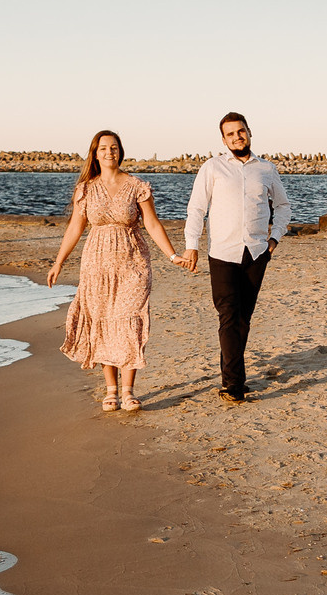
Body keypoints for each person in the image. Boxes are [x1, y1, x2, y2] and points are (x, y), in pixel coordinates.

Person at [47, 128, 183, 413]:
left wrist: (172, 255)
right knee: (103, 321)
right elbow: (76, 226)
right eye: (103, 148)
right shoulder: (85, 189)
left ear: (121, 151)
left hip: (133, 262)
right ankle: (110, 389)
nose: (110, 152)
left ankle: (129, 390)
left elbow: (153, 224)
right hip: (96, 265)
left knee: (129, 321)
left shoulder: (137, 186)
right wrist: (59, 261)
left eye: (114, 147)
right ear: (95, 154)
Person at [180, 111, 291, 402]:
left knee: (243, 320)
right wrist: (191, 244)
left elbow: (282, 206)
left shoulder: (266, 169)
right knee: (228, 316)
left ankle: (233, 376)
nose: (237, 137)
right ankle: (233, 384)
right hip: (222, 253)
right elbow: (196, 208)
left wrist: (274, 239)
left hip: (256, 252)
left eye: (240, 131)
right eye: (230, 134)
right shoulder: (212, 168)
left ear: (249, 133)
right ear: (223, 139)